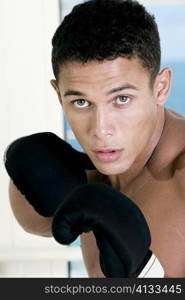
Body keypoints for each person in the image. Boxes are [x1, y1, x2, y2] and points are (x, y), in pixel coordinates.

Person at [4, 0, 185, 278]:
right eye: (81, 102)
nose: (101, 129)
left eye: (121, 99)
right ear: (58, 95)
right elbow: (35, 222)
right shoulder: (88, 178)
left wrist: (145, 273)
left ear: (161, 87)